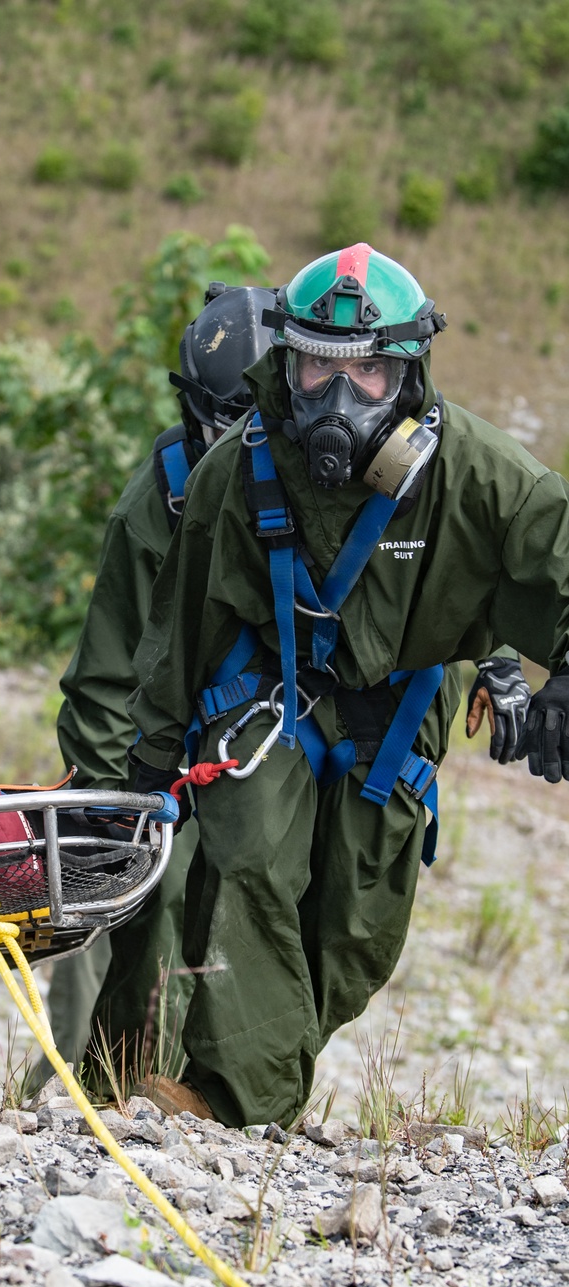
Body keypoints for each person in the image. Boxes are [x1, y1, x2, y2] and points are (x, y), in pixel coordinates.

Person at [128, 242, 569, 1128]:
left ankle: (261, 1059)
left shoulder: (474, 472)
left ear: (409, 377)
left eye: (366, 374)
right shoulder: (239, 469)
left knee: (357, 931)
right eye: (314, 369)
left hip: (401, 709)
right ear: (283, 364)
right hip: (267, 697)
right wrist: (145, 767)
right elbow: (180, 622)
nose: (336, 398)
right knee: (248, 860)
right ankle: (231, 1101)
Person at [49, 285, 274, 1080]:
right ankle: (105, 1086)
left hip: (272, 733)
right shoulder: (160, 501)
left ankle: (207, 1086)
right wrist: (118, 817)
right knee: (133, 905)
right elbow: (108, 677)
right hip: (161, 739)